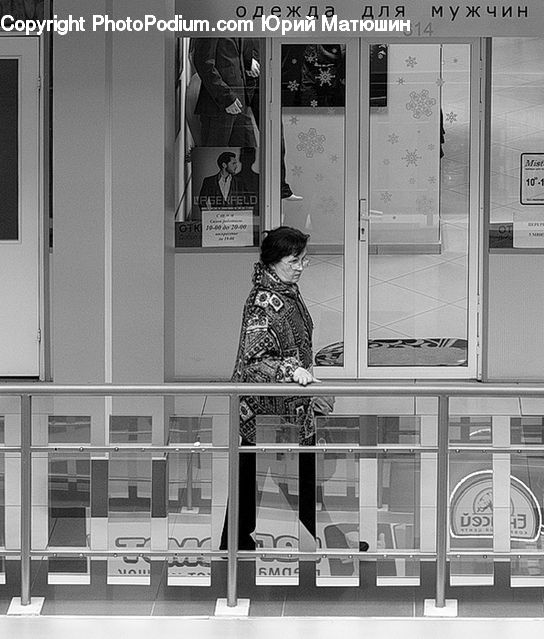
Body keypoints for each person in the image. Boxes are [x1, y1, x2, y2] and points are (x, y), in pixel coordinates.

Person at [221, 226, 329, 551]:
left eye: (303, 260)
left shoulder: (286, 291)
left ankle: (301, 541)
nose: (300, 267)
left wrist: (309, 382)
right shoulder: (263, 303)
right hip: (267, 413)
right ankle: (239, 545)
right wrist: (292, 371)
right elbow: (255, 361)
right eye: (294, 260)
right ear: (273, 261)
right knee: (261, 478)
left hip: (290, 408)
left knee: (290, 475)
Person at [192, 38, 257, 147]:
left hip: (240, 104)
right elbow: (203, 63)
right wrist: (227, 98)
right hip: (218, 107)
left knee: (250, 155)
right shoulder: (211, 23)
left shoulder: (236, 23)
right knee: (213, 159)